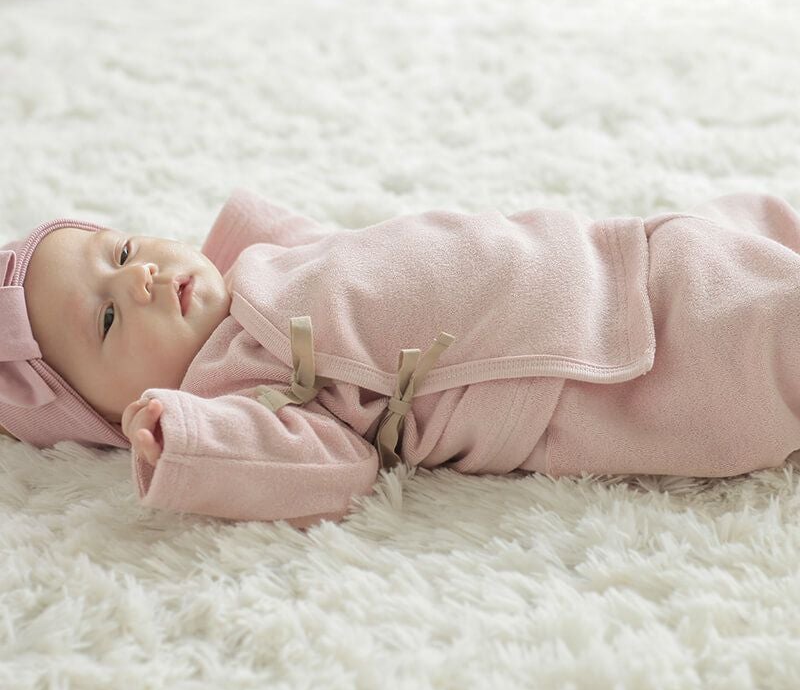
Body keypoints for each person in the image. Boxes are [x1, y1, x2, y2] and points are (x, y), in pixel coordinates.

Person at [2, 188, 799, 529]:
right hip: (599, 369)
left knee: (751, 229)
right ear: (109, 412)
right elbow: (331, 469)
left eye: (122, 251)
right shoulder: (238, 388)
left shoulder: (256, 270)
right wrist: (188, 441)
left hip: (607, 249)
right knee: (762, 339)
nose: (138, 278)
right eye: (108, 317)